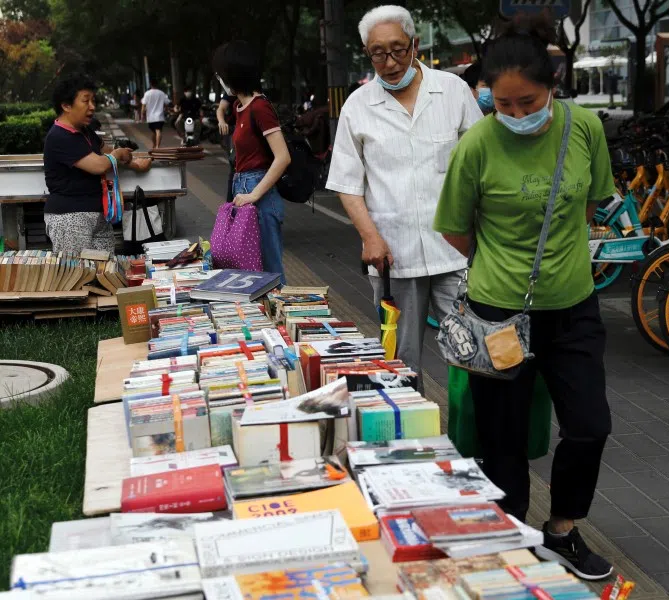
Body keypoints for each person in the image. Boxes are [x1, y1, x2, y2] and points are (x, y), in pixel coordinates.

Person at [433, 14, 615, 582]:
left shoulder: (584, 130)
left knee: (589, 424)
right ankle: (511, 534)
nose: (513, 114)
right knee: (502, 438)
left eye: (526, 102)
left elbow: (588, 207)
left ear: (552, 86)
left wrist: (555, 259)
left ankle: (561, 530)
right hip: (498, 314)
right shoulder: (477, 145)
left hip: (573, 308)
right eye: (501, 104)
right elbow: (456, 230)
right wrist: (503, 267)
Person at [326, 4, 482, 383]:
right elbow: (348, 183)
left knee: (472, 353)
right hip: (393, 256)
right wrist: (369, 237)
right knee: (401, 361)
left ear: (414, 45)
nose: (390, 61)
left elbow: (482, 164)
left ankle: (476, 439)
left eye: (397, 49)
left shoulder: (452, 91)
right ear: (368, 53)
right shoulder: (357, 106)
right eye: (378, 53)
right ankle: (411, 434)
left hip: (455, 252)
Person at [43, 73, 152, 255]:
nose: (92, 107)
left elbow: (105, 151)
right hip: (70, 218)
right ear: (66, 105)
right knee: (77, 275)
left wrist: (134, 163)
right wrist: (118, 154)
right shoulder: (59, 137)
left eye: (93, 101)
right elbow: (99, 165)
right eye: (86, 101)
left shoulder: (85, 131)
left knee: (104, 275)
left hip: (99, 215)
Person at [212, 40, 291, 283]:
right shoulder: (239, 107)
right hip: (243, 189)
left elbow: (283, 157)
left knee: (271, 274)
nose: (219, 79)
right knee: (250, 273)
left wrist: (254, 195)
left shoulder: (260, 107)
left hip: (259, 195)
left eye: (222, 74)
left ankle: (281, 318)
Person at [216, 92, 237, 202]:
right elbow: (221, 109)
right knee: (234, 165)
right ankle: (230, 205)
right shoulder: (231, 92)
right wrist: (221, 121)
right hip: (235, 131)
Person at [141, 79, 170, 149]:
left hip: (150, 117)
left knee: (156, 131)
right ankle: (156, 145)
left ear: (150, 84)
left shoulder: (147, 93)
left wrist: (142, 114)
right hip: (160, 116)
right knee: (157, 131)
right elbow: (167, 103)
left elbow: (143, 105)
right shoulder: (162, 93)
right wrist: (166, 109)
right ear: (157, 85)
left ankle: (156, 146)